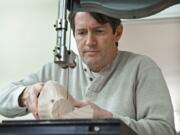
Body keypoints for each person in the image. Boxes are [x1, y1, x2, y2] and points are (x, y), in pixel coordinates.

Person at [0, 11, 176, 135]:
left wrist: (107, 118)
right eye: (82, 33)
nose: (89, 42)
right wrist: (25, 95)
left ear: (118, 33)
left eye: (99, 31)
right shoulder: (56, 69)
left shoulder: (142, 69)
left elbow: (164, 130)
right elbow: (2, 98)